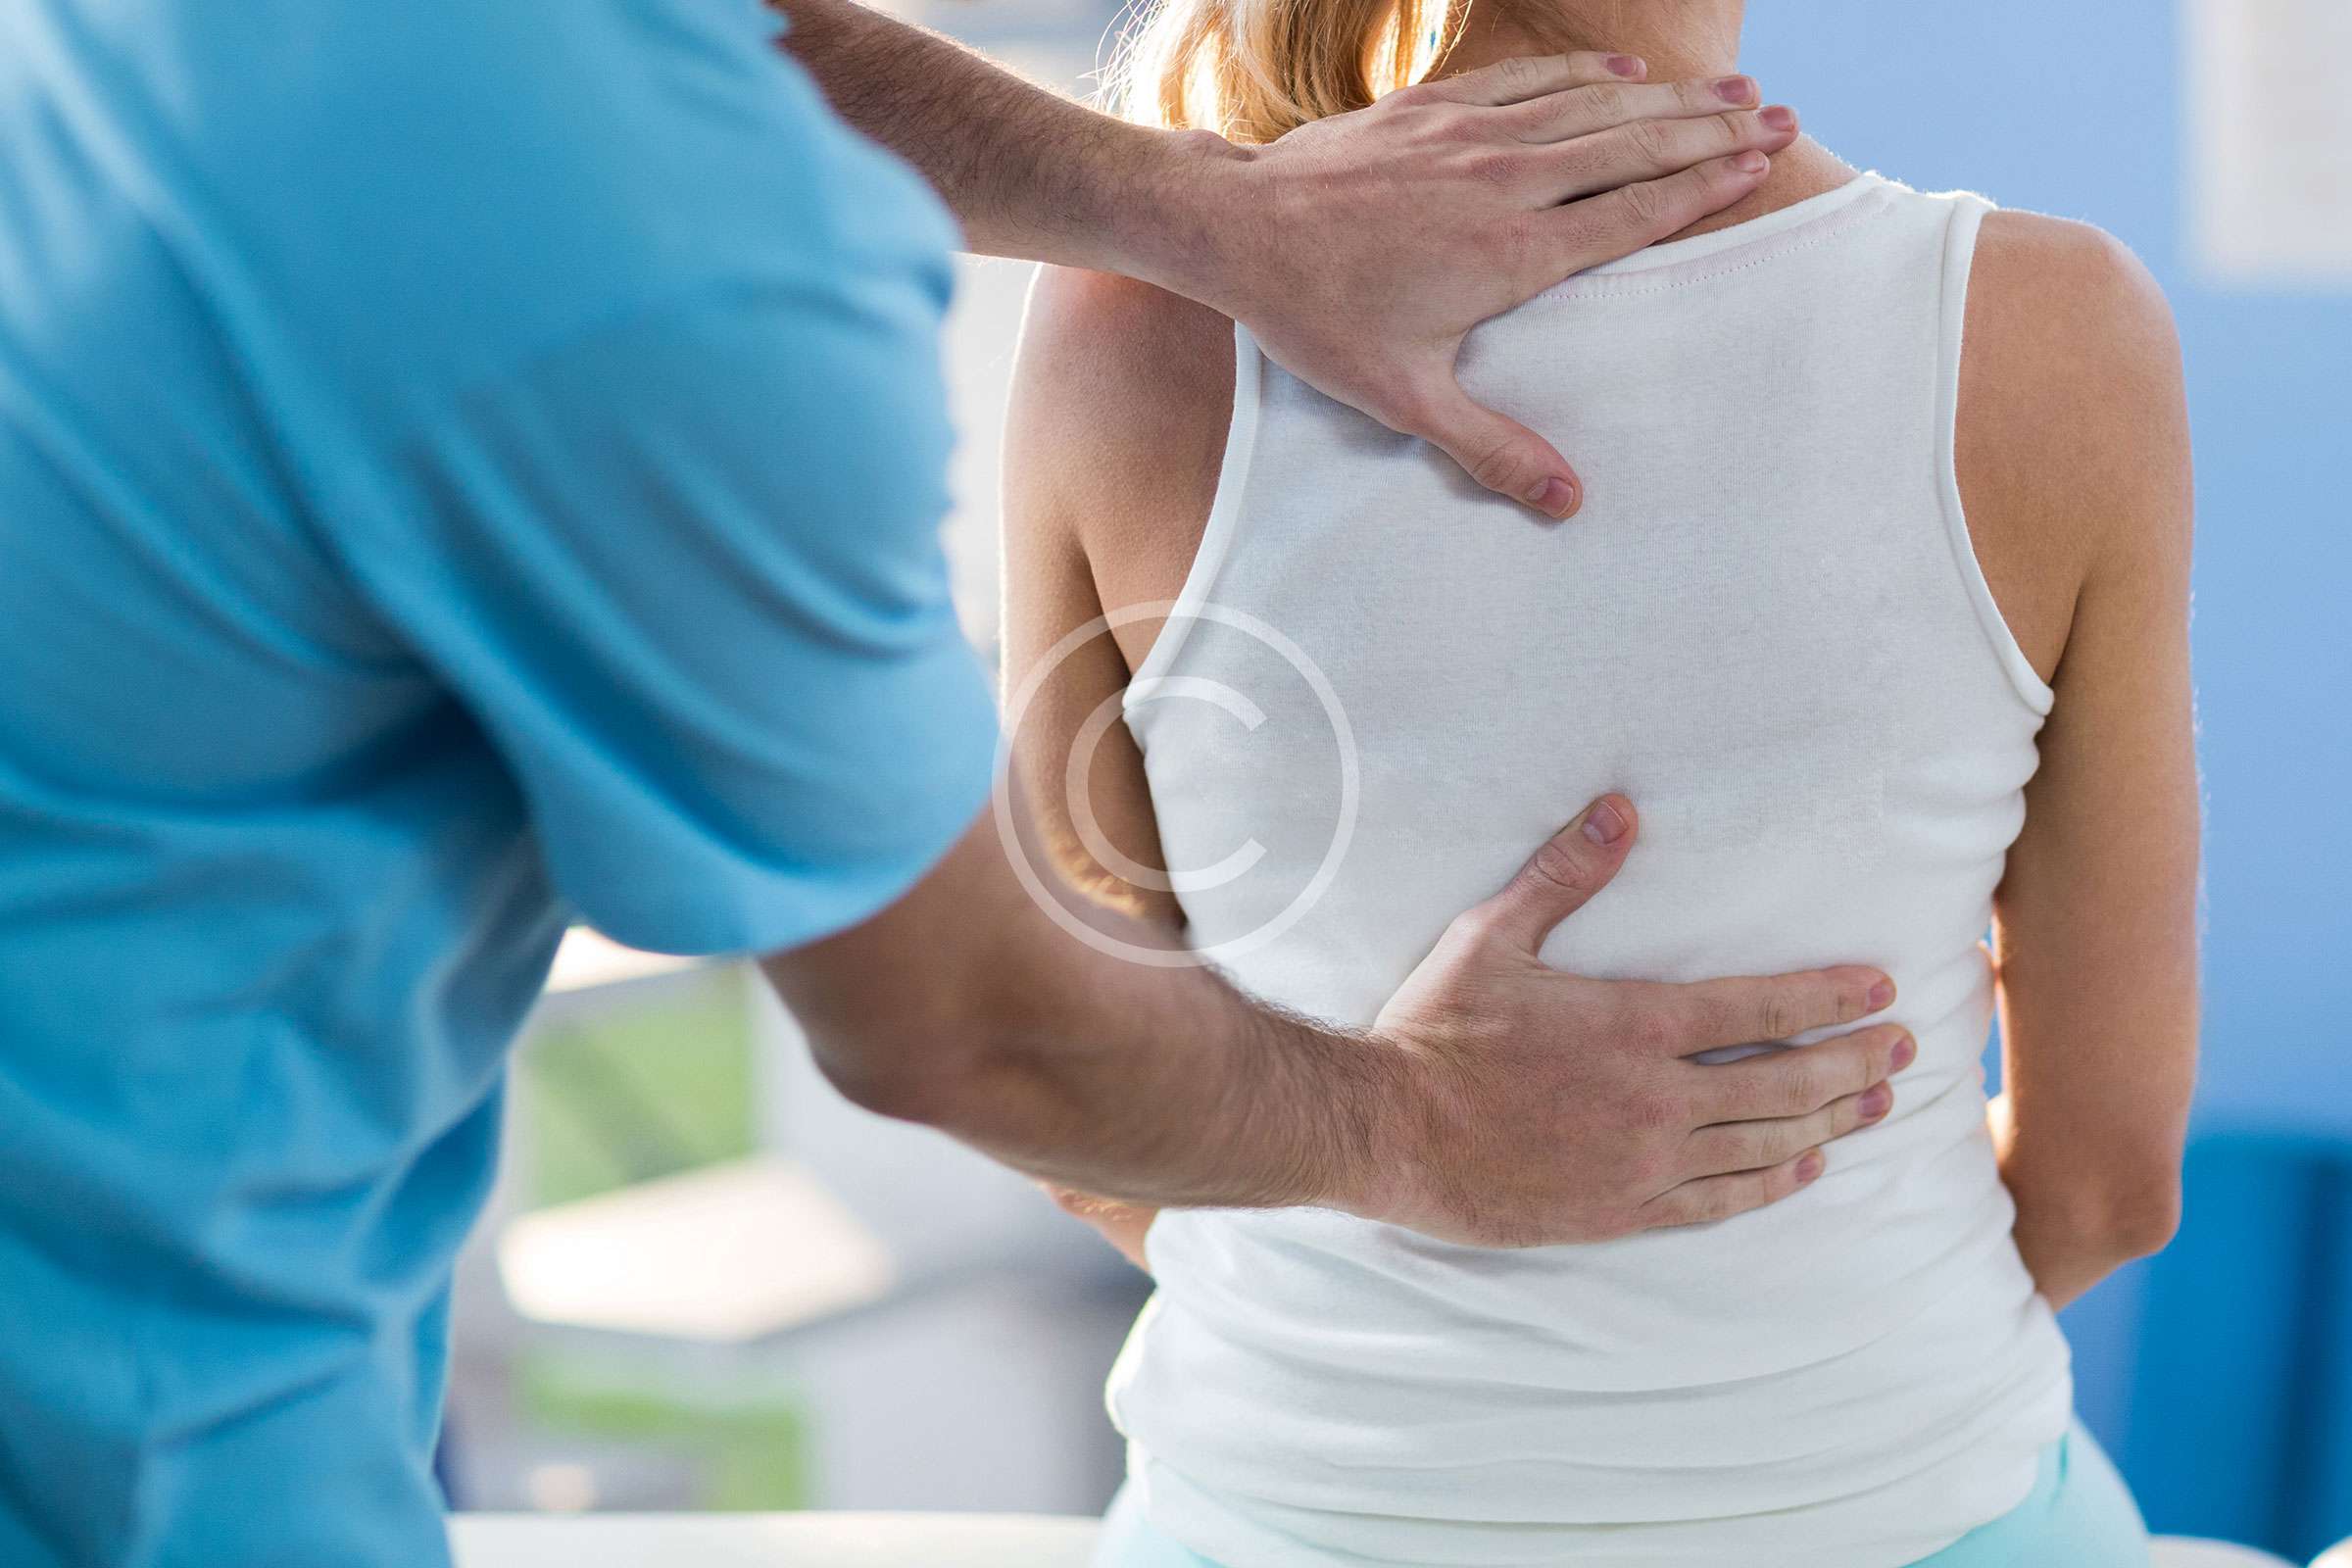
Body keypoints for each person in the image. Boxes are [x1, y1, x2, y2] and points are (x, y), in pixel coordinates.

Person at [0, 2, 1923, 1564]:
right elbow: (981, 1027)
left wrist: (1192, 214)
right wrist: (1421, 1129)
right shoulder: (665, 254)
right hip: (119, 1435)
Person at [1001, 0, 2200, 1562]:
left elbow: (1062, 1093)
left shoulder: (1124, 326)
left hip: (1276, 1515)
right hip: (1912, 1505)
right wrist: (1776, 1366)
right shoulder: (2053, 332)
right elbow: (2109, 1187)